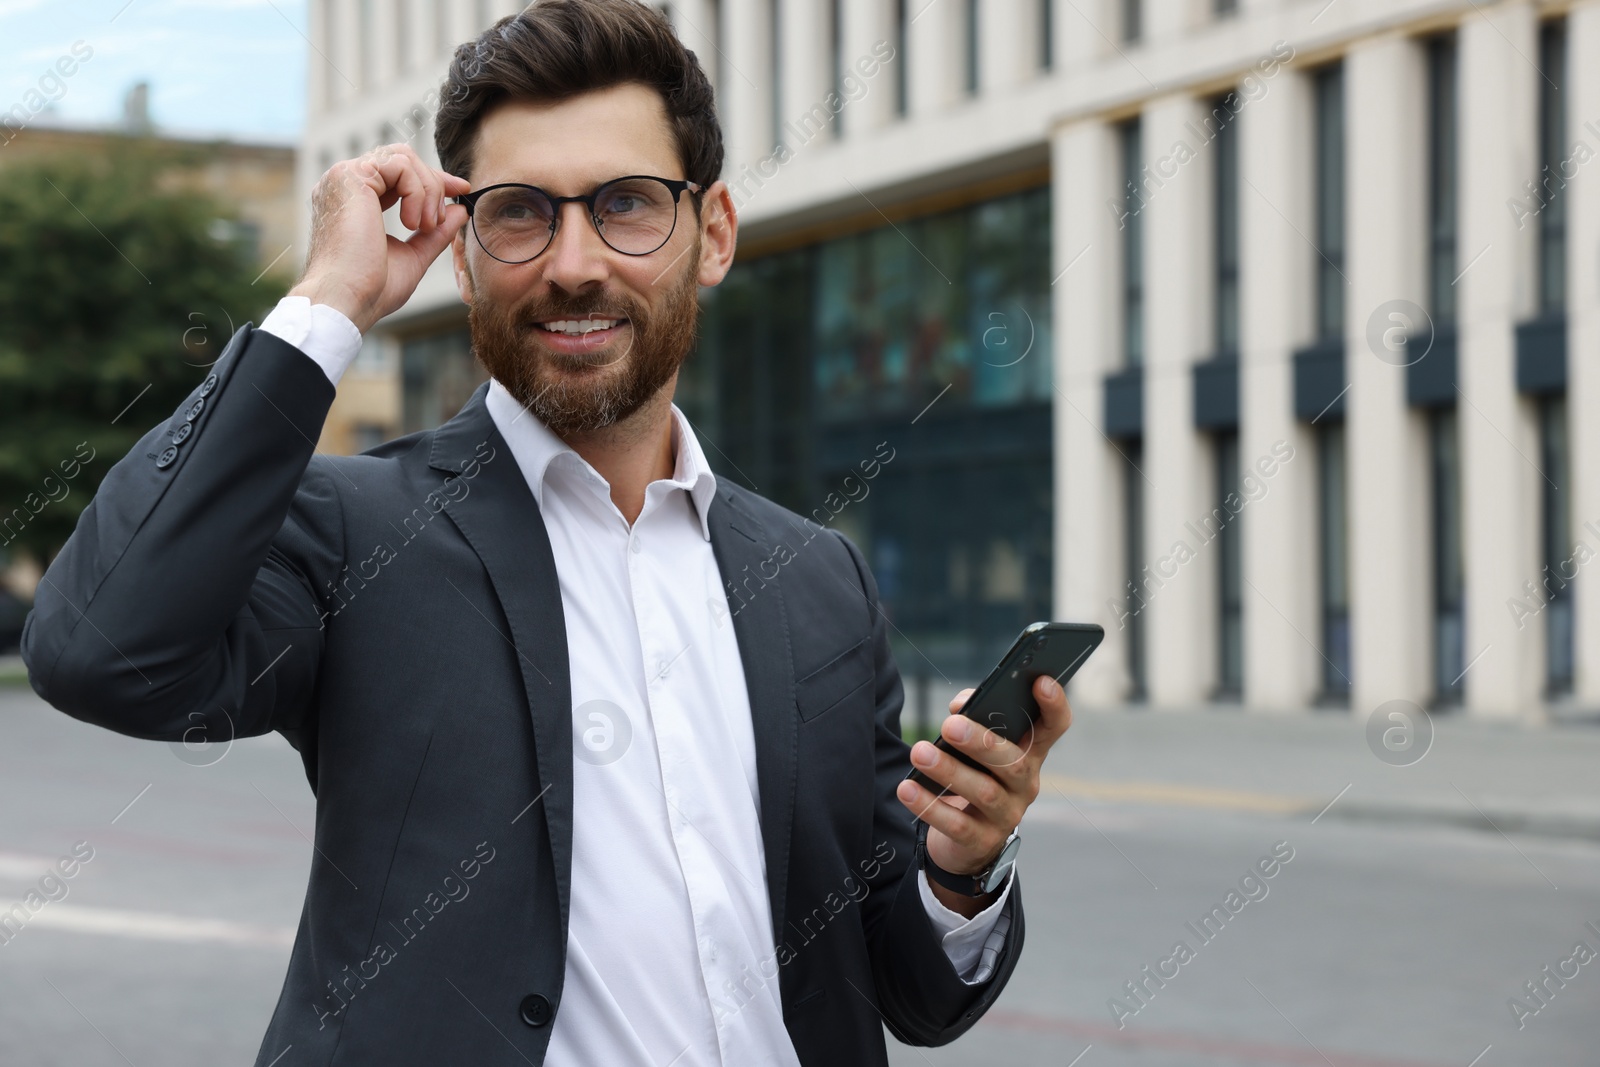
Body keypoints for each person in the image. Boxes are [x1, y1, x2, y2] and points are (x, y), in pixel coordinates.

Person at [22, 2, 1077, 1064]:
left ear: (710, 235)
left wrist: (963, 867)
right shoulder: (354, 529)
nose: (574, 264)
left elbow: (909, 989)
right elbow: (99, 651)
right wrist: (327, 299)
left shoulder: (816, 578)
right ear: (466, 254)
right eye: (520, 212)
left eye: (626, 204)